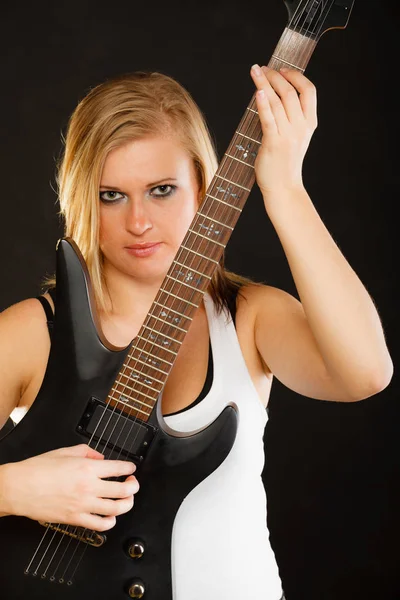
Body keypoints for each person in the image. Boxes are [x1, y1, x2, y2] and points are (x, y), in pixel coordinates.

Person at [0, 65, 393, 599]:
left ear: (204, 186)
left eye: (162, 190)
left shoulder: (248, 318)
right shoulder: (32, 333)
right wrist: (16, 487)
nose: (138, 222)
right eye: (111, 195)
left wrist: (284, 189)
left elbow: (366, 373)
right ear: (79, 197)